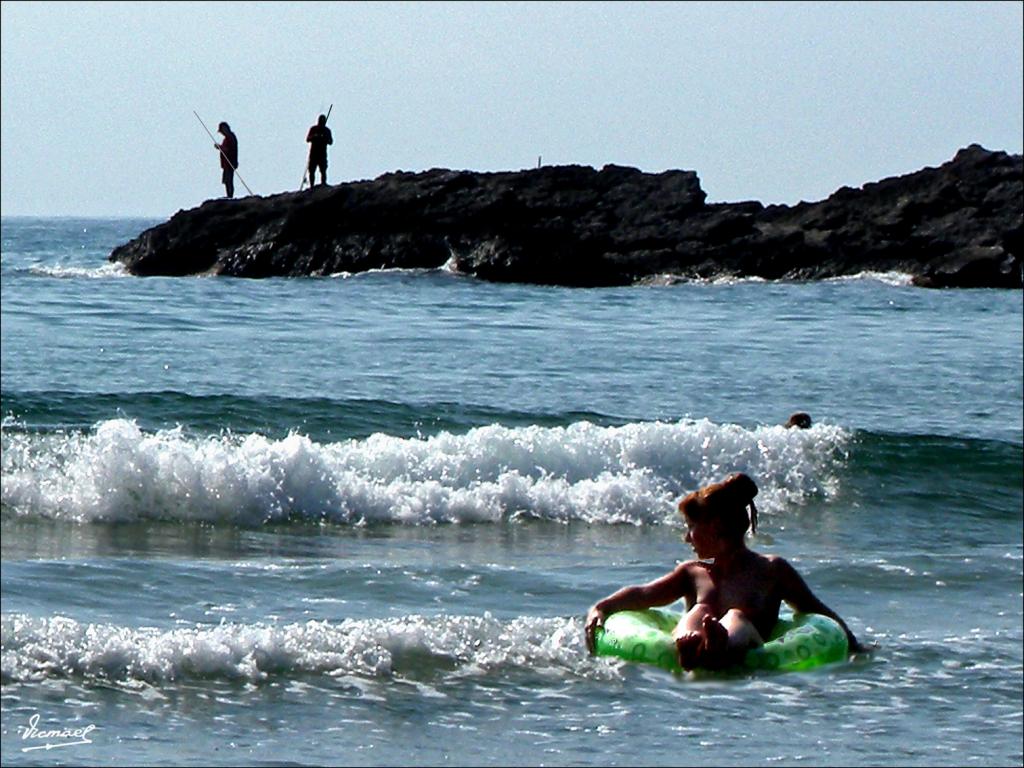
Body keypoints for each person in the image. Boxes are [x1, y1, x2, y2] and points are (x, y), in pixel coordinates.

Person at [584, 472, 863, 670]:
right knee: (701, 612)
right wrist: (602, 607)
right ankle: (694, 644)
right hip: (693, 644)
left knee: (736, 616)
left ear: (714, 527)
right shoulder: (692, 573)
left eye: (690, 528)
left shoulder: (772, 570)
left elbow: (816, 610)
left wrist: (852, 645)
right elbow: (644, 594)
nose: (686, 538)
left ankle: (718, 644)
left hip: (747, 645)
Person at [305, 114, 333, 187]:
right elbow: (308, 139)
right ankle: (312, 186)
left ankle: (323, 184)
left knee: (323, 170)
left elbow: (330, 142)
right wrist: (315, 136)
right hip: (313, 154)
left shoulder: (327, 130)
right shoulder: (313, 129)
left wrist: (324, 138)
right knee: (311, 170)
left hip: (322, 154)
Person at [215, 122, 239, 198]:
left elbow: (229, 150)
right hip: (227, 164)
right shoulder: (229, 138)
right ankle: (229, 195)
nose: (222, 133)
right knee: (226, 180)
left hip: (230, 163)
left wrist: (220, 147)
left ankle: (230, 196)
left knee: (229, 180)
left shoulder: (230, 137)